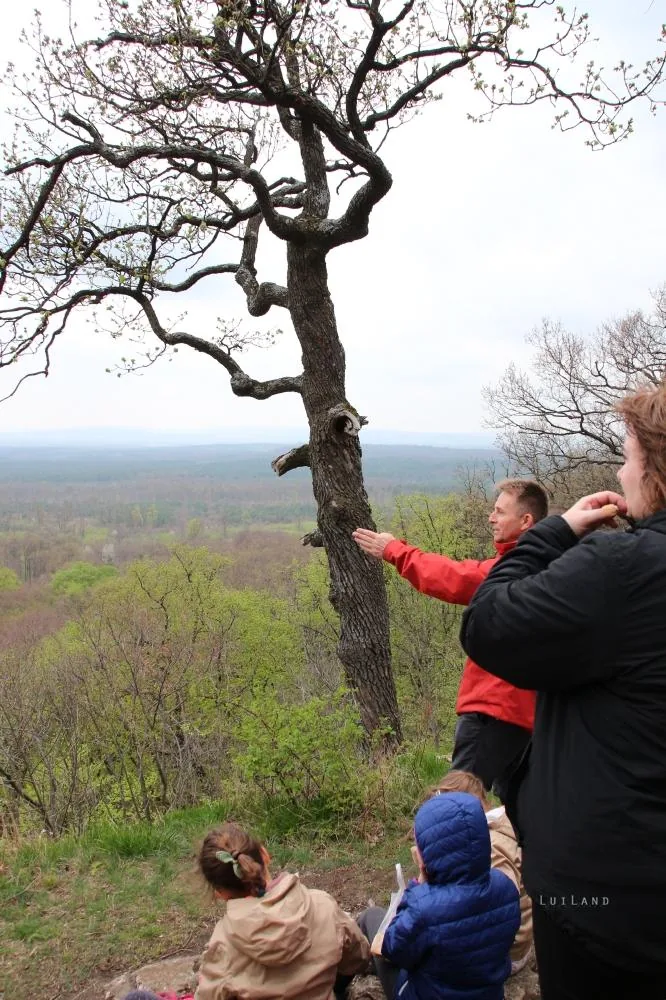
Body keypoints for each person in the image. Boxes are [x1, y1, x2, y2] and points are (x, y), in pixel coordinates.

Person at [460, 383, 666, 1000]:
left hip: (608, 904)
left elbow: (489, 625)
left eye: (628, 457)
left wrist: (553, 535)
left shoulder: (624, 570)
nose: (622, 471)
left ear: (655, 470)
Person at [353, 479, 549, 797]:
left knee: (457, 799)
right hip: (528, 716)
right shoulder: (550, 568)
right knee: (522, 806)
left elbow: (455, 577)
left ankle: (448, 848)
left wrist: (395, 551)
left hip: (494, 708)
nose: (491, 517)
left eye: (500, 511)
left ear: (526, 521)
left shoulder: (516, 571)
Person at [360, 792, 519, 1000]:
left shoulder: (423, 907)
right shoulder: (505, 887)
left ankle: (341, 981)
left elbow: (393, 948)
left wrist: (417, 884)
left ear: (427, 855)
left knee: (370, 917)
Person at [189, 821, 369, 1000]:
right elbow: (358, 958)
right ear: (265, 854)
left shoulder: (222, 945)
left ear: (218, 892)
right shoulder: (323, 905)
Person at [433, 770, 533, 975]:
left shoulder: (491, 846)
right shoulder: (503, 820)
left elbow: (498, 905)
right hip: (515, 941)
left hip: (506, 953)